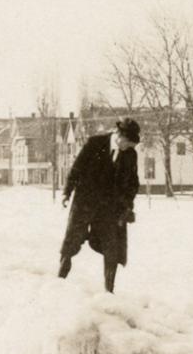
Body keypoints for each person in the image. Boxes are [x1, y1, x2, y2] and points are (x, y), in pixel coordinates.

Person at [58, 118, 141, 293]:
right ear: (119, 136)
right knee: (71, 243)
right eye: (129, 143)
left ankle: (109, 291)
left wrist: (127, 205)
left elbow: (133, 183)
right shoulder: (95, 143)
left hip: (109, 209)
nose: (130, 148)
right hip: (85, 203)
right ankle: (59, 281)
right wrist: (67, 192)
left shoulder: (130, 154)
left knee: (112, 248)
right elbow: (76, 168)